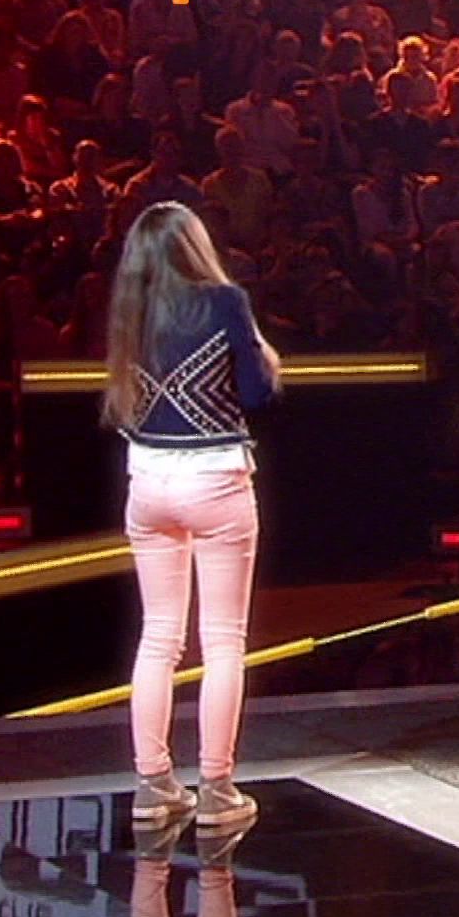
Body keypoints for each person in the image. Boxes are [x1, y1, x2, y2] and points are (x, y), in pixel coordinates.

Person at [102, 202, 281, 831]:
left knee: (159, 637)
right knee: (223, 640)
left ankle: (153, 786)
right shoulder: (225, 301)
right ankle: (216, 789)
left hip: (148, 484)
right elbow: (256, 394)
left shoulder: (131, 311)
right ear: (194, 247)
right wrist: (261, 352)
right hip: (215, 480)